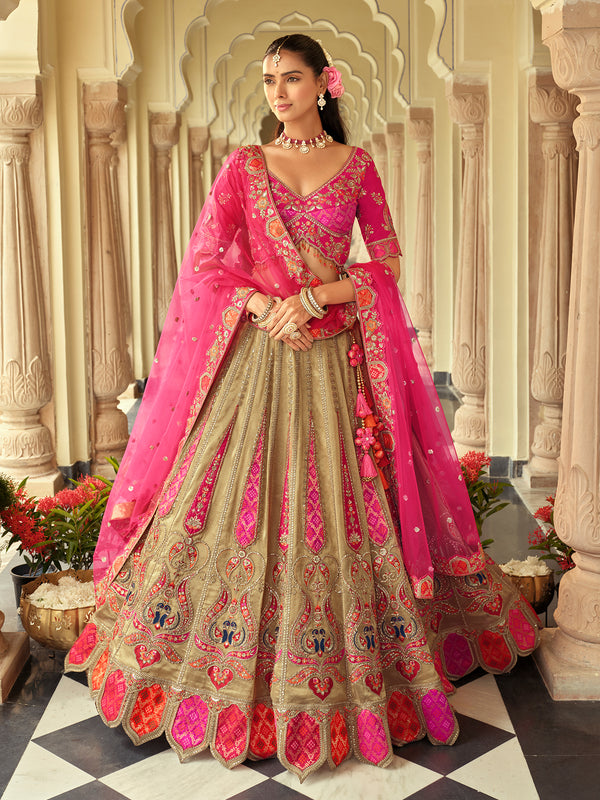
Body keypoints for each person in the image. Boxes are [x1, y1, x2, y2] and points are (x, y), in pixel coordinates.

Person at [66, 33, 540, 780]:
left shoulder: (357, 167)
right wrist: (261, 301)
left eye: (291, 78)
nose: (278, 92)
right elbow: (206, 263)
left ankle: (353, 680)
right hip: (257, 359)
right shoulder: (244, 167)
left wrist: (317, 294)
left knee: (342, 503)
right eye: (268, 80)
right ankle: (215, 672)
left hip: (335, 363)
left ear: (325, 84)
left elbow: (383, 267)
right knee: (231, 503)